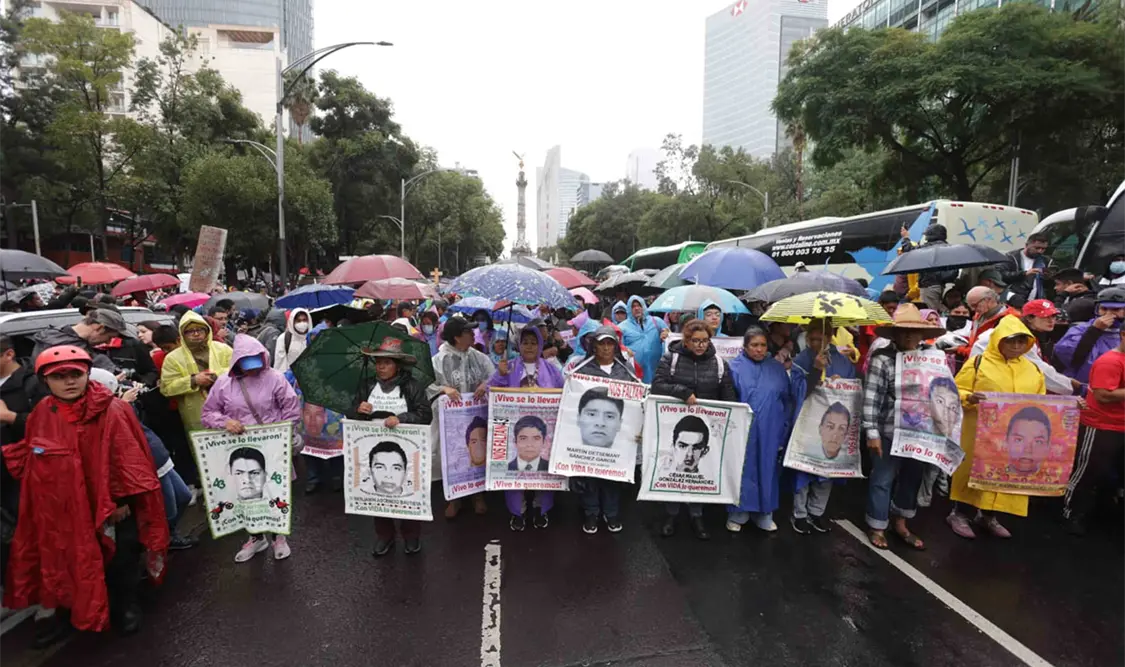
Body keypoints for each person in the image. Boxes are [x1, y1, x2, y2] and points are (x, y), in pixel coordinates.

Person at [3, 346, 167, 643]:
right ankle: (76, 610)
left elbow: (126, 458)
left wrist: (119, 501)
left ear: (87, 374)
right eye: (59, 376)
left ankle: (125, 606)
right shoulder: (43, 412)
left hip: (112, 505)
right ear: (45, 381)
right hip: (65, 506)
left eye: (75, 374)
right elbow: (36, 457)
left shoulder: (113, 409)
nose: (69, 381)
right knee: (71, 559)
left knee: (120, 557)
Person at [201, 335, 301, 562]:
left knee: (274, 490)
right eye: (248, 362)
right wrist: (225, 422)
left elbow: (291, 407)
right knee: (246, 492)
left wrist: (280, 431)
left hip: (271, 445)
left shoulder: (275, 378)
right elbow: (208, 413)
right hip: (238, 447)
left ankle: (279, 537)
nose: (254, 367)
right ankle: (256, 537)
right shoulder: (224, 383)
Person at [949, 316, 1045, 539]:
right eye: (1010, 340)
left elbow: (1042, 403)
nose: (1016, 346)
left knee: (1003, 473)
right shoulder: (978, 363)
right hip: (978, 432)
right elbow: (955, 390)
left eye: (1021, 341)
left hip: (1014, 436)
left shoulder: (1033, 369)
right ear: (998, 340)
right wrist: (969, 398)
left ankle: (988, 516)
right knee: (972, 471)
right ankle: (959, 514)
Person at [863, 304, 945, 551]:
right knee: (882, 478)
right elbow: (871, 397)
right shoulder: (882, 359)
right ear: (894, 333)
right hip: (889, 431)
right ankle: (877, 525)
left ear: (922, 333)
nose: (909, 335)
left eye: (914, 330)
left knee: (911, 479)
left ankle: (900, 523)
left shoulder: (932, 358)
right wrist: (871, 432)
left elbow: (943, 391)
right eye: (903, 330)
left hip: (921, 432)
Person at [652, 319, 737, 540]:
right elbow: (657, 385)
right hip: (677, 424)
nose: (700, 345)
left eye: (704, 341)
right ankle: (671, 514)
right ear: (686, 341)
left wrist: (730, 418)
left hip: (705, 426)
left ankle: (697, 515)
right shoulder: (671, 358)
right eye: (695, 341)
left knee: (701, 469)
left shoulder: (719, 363)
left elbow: (727, 393)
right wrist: (682, 392)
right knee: (675, 469)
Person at [350, 336, 433, 556]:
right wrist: (358, 410)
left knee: (407, 490)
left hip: (406, 450)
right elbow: (351, 414)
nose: (381, 367)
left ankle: (411, 535)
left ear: (397, 365)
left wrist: (402, 418)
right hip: (373, 448)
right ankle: (384, 536)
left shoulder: (412, 386)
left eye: (386, 363)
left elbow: (425, 414)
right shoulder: (367, 385)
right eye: (378, 362)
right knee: (378, 492)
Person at [490, 327, 564, 531]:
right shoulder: (508, 367)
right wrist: (499, 376)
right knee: (514, 470)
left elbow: (565, 392)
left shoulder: (551, 369)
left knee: (544, 469)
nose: (529, 347)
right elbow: (491, 392)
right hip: (515, 429)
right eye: (525, 342)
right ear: (519, 345)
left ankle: (541, 508)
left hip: (544, 429)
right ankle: (518, 511)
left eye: (533, 342)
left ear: (540, 345)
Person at [566, 325, 639, 534]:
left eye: (610, 343)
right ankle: (591, 512)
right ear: (594, 347)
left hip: (617, 433)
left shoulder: (626, 370)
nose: (606, 348)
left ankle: (611, 512)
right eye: (602, 344)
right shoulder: (581, 369)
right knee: (590, 473)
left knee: (612, 474)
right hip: (590, 433)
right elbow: (571, 400)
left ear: (616, 347)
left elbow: (636, 401)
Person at [789, 319, 857, 534]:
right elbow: (797, 391)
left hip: (833, 425)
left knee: (827, 468)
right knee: (803, 469)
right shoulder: (802, 359)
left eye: (821, 339)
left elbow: (852, 392)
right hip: (807, 422)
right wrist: (815, 371)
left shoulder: (843, 362)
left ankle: (816, 511)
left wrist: (840, 385)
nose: (816, 343)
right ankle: (799, 513)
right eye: (812, 339)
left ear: (830, 337)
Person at [726, 327, 794, 534]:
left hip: (771, 428)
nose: (759, 349)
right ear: (745, 346)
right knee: (743, 469)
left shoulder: (777, 369)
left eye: (763, 345)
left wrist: (783, 429)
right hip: (742, 430)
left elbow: (787, 400)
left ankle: (765, 513)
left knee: (768, 469)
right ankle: (738, 513)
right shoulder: (734, 367)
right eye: (754, 345)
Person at [1064, 322, 1125, 535]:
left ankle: (1104, 513)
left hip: (1120, 424)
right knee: (1088, 472)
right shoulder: (1110, 361)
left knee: (1112, 474)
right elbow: (1102, 395)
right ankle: (1073, 513)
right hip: (1101, 425)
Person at [431, 316, 494, 518]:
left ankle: (477, 495)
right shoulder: (439, 360)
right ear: (457, 337)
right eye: (468, 332)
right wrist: (443, 389)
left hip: (476, 417)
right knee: (453, 455)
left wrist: (486, 384)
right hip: (450, 421)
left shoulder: (478, 357)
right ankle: (454, 497)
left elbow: (493, 376)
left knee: (477, 454)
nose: (473, 335)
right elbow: (427, 385)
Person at [0, 334, 40, 614]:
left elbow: (53, 425)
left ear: (9, 354)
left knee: (30, 532)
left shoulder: (33, 383)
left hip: (26, 473)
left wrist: (10, 418)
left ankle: (44, 595)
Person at [159, 311, 234, 435]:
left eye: (200, 329)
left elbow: (238, 370)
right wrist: (193, 381)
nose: (196, 333)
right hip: (196, 412)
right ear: (182, 334)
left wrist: (216, 375)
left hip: (229, 407)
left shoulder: (223, 349)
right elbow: (166, 388)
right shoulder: (173, 358)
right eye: (190, 331)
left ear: (207, 331)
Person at [1054, 287, 1125, 384]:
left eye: (1115, 309)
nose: (1108, 314)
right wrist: (1094, 331)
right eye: (1104, 309)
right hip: (1083, 385)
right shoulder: (1080, 329)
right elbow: (1067, 357)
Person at [30, 308, 126, 372]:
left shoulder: (53, 336)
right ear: (99, 328)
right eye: (109, 337)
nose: (108, 342)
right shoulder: (67, 347)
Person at [957, 287, 1018, 362]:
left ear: (988, 300)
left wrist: (960, 349)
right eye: (970, 306)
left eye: (975, 305)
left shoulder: (1009, 319)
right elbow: (973, 339)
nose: (972, 309)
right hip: (974, 361)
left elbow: (991, 351)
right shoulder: (979, 315)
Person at [620, 295, 669, 383]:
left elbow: (670, 339)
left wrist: (666, 335)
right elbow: (619, 348)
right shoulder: (622, 327)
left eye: (639, 305)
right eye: (633, 306)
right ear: (629, 309)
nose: (636, 308)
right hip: (635, 373)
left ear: (643, 306)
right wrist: (625, 350)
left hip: (656, 370)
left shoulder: (656, 321)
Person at [273, 307, 310, 373]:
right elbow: (280, 364)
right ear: (292, 322)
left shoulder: (312, 336)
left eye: (304, 320)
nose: (302, 323)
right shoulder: (283, 338)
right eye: (298, 321)